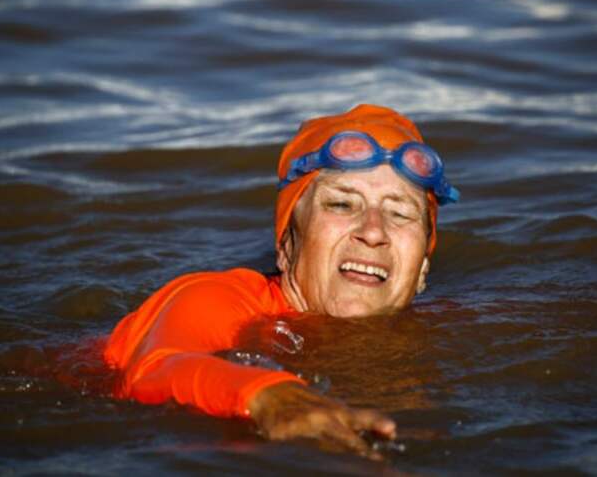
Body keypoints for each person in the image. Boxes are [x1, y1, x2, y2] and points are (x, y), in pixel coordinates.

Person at [103, 104, 459, 458]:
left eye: (399, 213)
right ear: (287, 246)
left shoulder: (455, 329)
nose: (373, 231)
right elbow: (152, 369)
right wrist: (272, 396)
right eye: (341, 205)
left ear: (423, 267)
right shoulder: (217, 299)